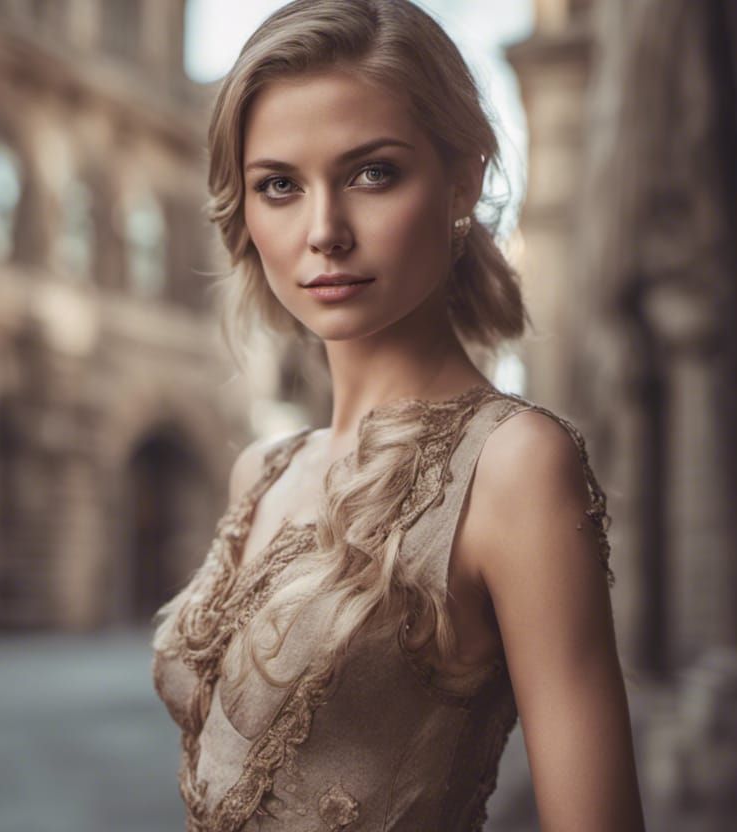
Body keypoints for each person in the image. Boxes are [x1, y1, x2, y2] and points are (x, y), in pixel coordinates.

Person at [151, 1, 645, 829]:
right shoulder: (261, 470)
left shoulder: (515, 467)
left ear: (463, 179)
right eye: (279, 185)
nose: (324, 232)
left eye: (372, 173)